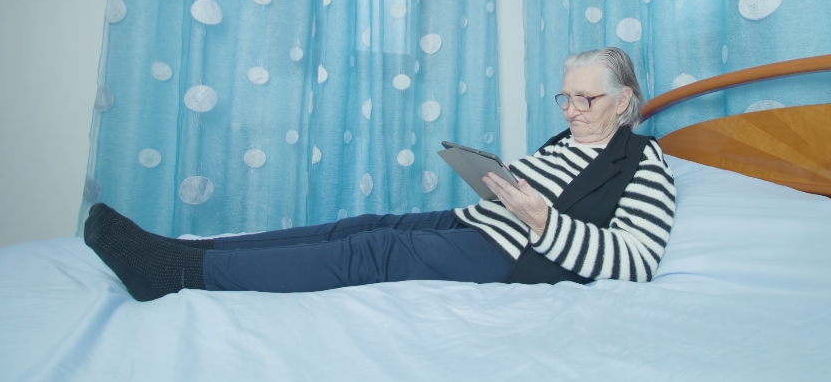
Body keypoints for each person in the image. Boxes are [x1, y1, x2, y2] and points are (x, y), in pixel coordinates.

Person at [84, 47, 676, 301]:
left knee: (377, 251)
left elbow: (637, 260)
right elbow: (526, 194)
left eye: (586, 100)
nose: (571, 110)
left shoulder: (643, 161)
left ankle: (176, 273)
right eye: (564, 97)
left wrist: (545, 221)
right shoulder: (562, 142)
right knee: (360, 224)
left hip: (518, 255)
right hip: (478, 222)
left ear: (624, 102)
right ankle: (200, 248)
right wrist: (495, 181)